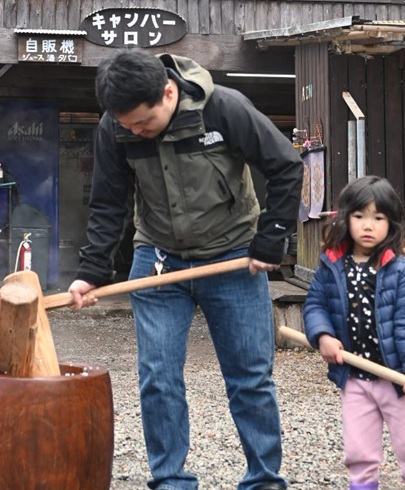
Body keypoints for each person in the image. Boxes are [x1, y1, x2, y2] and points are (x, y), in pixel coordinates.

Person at [68, 49, 303, 490]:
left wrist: (271, 240)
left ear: (168, 92)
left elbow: (286, 166)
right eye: (128, 126)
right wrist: (91, 272)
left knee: (250, 375)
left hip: (232, 255)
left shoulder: (224, 108)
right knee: (158, 375)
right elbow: (108, 204)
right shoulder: (114, 128)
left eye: (143, 122)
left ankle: (264, 479)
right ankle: (171, 480)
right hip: (157, 259)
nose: (136, 132)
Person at [303, 176, 405, 490]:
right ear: (346, 219)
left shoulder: (400, 269)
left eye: (378, 218)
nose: (369, 225)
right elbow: (315, 305)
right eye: (360, 216)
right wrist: (323, 335)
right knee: (359, 453)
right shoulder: (332, 264)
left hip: (397, 380)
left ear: (391, 223)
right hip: (354, 377)